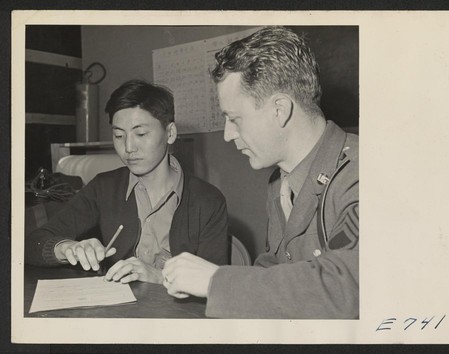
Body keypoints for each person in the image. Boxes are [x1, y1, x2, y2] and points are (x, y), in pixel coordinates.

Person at [162, 26, 359, 318]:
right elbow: (274, 268)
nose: (228, 134)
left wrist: (215, 282)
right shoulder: (280, 181)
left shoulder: (362, 173)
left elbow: (348, 288)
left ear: (280, 110)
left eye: (235, 119)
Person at [25, 79, 229, 284]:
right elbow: (32, 244)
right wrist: (67, 248)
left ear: (170, 133)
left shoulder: (208, 201)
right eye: (119, 135)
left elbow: (217, 285)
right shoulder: (103, 188)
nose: (129, 147)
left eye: (140, 133)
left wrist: (159, 278)